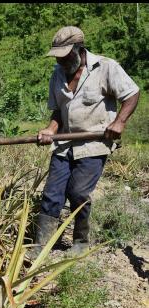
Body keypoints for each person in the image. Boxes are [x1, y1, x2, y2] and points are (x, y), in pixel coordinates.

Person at [29, 26, 140, 258]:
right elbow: (58, 112)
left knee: (78, 192)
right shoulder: (57, 74)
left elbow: (131, 93)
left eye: (65, 56)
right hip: (64, 143)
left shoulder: (106, 67)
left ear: (80, 49)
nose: (60, 62)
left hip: (94, 143)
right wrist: (50, 129)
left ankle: (80, 241)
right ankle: (41, 245)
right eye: (57, 57)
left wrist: (119, 122)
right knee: (51, 194)